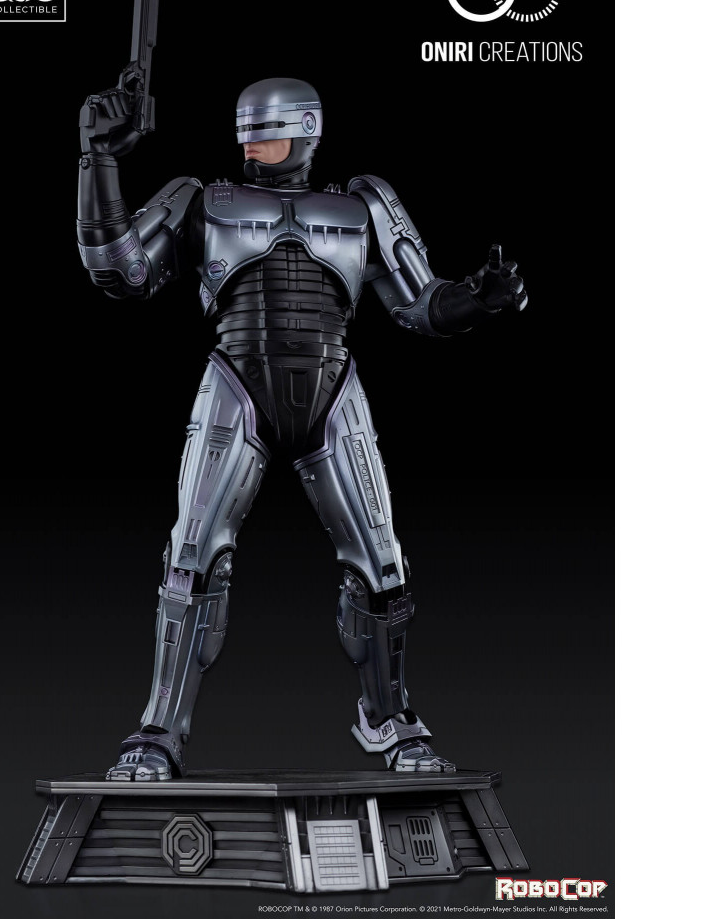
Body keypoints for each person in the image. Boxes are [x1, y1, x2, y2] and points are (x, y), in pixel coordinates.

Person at [76, 76, 527, 781]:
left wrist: (477, 298)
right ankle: (159, 729)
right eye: (246, 134)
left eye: (269, 133)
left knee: (382, 564)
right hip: (236, 385)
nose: (253, 147)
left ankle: (391, 719)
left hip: (332, 390)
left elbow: (421, 304)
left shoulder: (361, 205)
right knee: (191, 558)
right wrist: (98, 159)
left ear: (307, 131)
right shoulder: (203, 199)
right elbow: (119, 269)